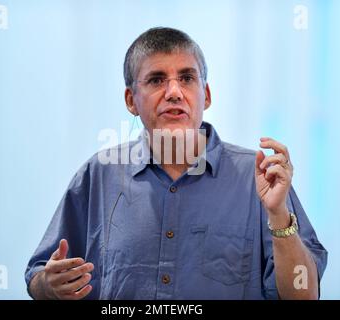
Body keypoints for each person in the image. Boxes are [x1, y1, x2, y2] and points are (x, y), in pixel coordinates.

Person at [25, 27, 327, 300]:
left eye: (187, 78)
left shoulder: (259, 177)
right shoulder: (100, 174)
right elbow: (38, 278)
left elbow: (304, 295)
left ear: (205, 95)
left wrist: (277, 215)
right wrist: (48, 287)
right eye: (157, 80)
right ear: (131, 100)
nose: (174, 92)